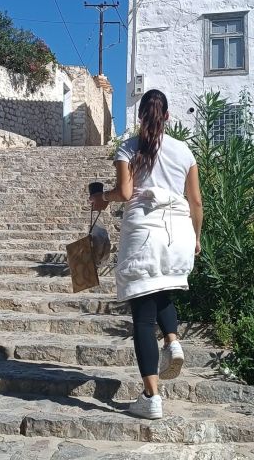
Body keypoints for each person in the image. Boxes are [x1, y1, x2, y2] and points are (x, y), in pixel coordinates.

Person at [90, 89, 203, 420]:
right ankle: (172, 341)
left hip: (144, 233)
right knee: (163, 288)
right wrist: (196, 238)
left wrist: (102, 199)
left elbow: (125, 193)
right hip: (178, 232)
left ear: (140, 116)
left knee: (142, 314)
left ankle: (151, 397)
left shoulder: (128, 147)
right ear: (168, 116)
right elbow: (196, 202)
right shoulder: (184, 151)